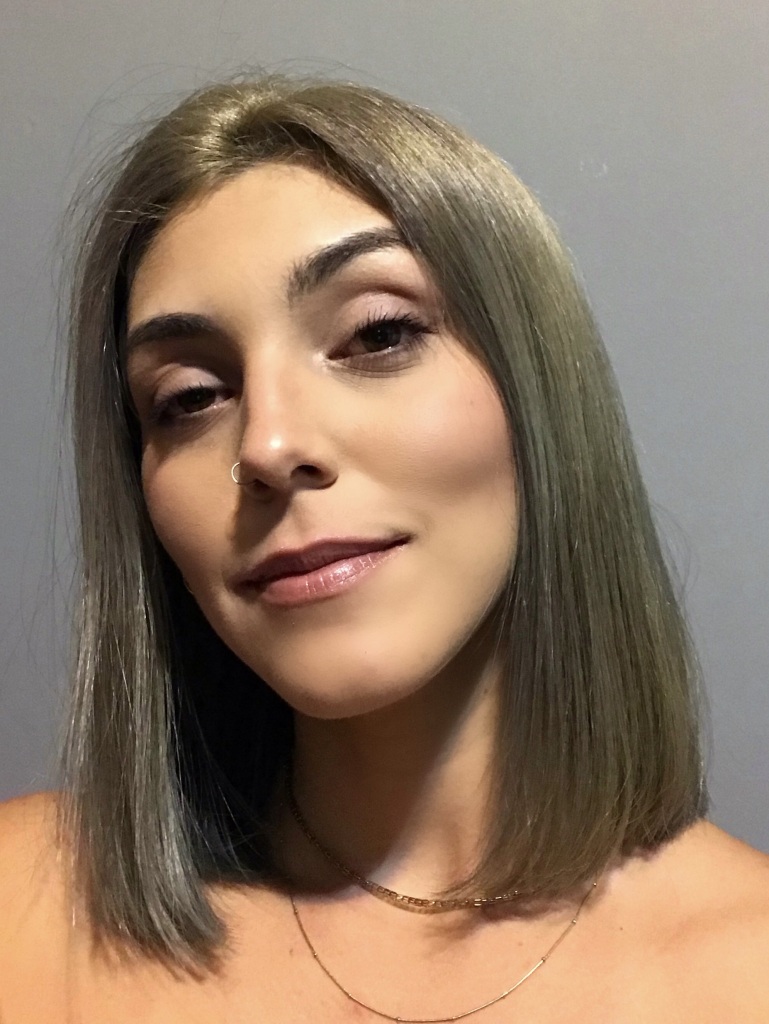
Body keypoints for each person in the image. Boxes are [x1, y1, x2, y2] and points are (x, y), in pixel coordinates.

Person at [0, 72, 767, 1023]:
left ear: (538, 394)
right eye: (190, 397)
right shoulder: (21, 915)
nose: (268, 445)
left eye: (377, 334)